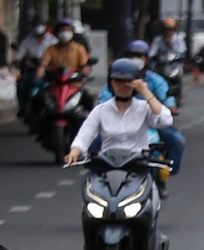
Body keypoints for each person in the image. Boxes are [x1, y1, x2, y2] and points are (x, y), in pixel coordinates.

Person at [98, 42, 186, 177]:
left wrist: (170, 106)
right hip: (120, 119)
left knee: (177, 140)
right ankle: (98, 172)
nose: (135, 59)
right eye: (131, 56)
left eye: (139, 55)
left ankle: (166, 174)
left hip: (150, 121)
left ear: (147, 59)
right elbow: (103, 100)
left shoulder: (155, 80)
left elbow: (166, 96)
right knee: (95, 141)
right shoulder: (115, 80)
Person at [65, 59, 173, 165]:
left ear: (136, 83)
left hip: (138, 167)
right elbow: (84, 135)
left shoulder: (144, 107)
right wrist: (74, 153)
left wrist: (145, 92)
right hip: (108, 167)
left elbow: (166, 120)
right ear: (110, 82)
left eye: (127, 82)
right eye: (117, 81)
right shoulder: (101, 110)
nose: (122, 86)